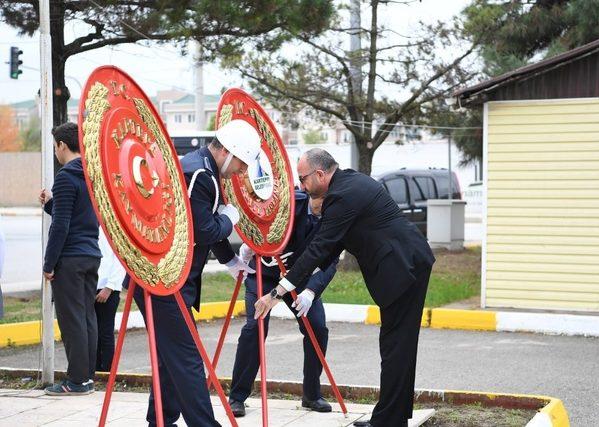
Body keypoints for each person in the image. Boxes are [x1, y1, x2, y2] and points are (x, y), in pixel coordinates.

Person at [254, 148, 436, 427]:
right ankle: (391, 419)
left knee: (396, 347)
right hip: (406, 263)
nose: (302, 186)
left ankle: (388, 422)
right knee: (397, 347)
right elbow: (327, 250)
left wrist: (276, 292)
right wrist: (295, 279)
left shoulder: (342, 196)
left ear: (320, 174)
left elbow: (320, 248)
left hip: (403, 268)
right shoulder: (348, 184)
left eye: (303, 179)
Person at [131, 119, 259, 427]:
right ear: (227, 151)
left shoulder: (201, 167)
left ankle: (160, 420)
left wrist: (229, 260)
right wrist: (229, 218)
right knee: (187, 359)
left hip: (165, 280)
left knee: (170, 357)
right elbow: (203, 230)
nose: (241, 172)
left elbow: (200, 224)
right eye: (241, 164)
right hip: (165, 282)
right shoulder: (200, 174)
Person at [228, 193, 338, 417]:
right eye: (321, 201)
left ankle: (311, 395)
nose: (323, 207)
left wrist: (310, 291)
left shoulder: (334, 217)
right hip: (266, 273)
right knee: (255, 328)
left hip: (300, 280)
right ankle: (237, 397)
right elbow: (259, 219)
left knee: (317, 328)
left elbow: (331, 261)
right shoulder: (290, 205)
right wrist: (250, 245)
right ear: (312, 194)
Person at [41, 122, 102, 396]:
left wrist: (49, 264)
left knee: (72, 320)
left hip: (71, 258)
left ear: (62, 146)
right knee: (87, 317)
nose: (55, 152)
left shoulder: (65, 176)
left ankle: (76, 381)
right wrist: (50, 204)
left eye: (55, 147)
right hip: (90, 254)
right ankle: (86, 377)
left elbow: (62, 226)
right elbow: (80, 214)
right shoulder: (91, 175)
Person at [95, 228, 125, 372]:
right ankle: (94, 370)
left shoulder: (113, 228)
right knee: (93, 332)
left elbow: (120, 259)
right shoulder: (90, 225)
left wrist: (109, 287)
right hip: (90, 286)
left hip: (109, 289)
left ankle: (108, 371)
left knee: (105, 332)